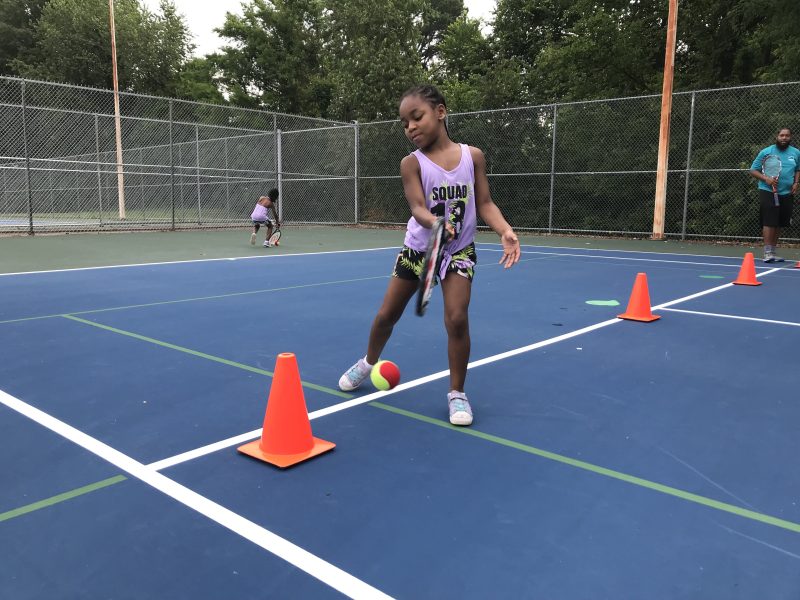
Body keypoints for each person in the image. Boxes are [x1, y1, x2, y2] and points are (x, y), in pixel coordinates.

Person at [338, 84, 521, 426]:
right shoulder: (412, 164)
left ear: (440, 111)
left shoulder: (473, 156)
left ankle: (457, 393)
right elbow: (418, 208)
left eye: (416, 117)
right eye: (404, 122)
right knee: (386, 316)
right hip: (420, 250)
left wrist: (504, 230)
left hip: (459, 251)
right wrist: (436, 223)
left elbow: (484, 203)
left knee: (457, 318)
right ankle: (368, 361)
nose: (410, 127)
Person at [749, 128, 800, 262]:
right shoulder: (766, 152)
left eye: (787, 136)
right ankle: (767, 253)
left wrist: (796, 183)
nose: (784, 138)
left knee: (779, 222)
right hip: (768, 191)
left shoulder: (796, 153)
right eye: (781, 135)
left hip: (786, 192)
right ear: (777, 136)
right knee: (769, 221)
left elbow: (797, 169)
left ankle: (772, 252)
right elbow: (753, 170)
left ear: (790, 137)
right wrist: (766, 179)